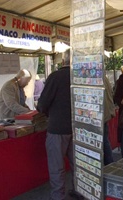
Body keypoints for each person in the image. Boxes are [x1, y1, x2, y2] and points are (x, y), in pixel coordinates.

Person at [37, 50, 82, 200]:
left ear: (63, 61)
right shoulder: (82, 76)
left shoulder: (55, 77)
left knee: (57, 167)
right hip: (79, 128)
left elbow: (42, 104)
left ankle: (58, 196)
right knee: (78, 165)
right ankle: (80, 191)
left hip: (58, 128)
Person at [103, 74, 116, 165]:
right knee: (105, 142)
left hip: (100, 117)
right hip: (105, 115)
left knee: (104, 142)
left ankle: (109, 164)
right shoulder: (104, 77)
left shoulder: (96, 78)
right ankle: (110, 164)